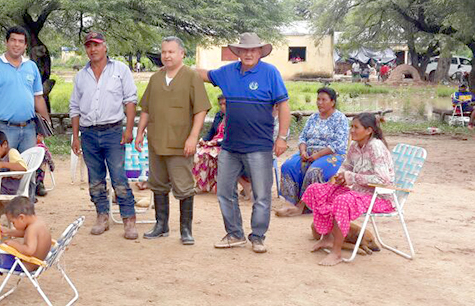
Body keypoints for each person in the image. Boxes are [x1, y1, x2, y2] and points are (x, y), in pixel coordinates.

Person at [195, 32, 291, 253]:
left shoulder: (270, 73)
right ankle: (235, 234)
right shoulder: (227, 72)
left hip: (260, 146)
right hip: (230, 146)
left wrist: (282, 137)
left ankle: (258, 236)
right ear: (238, 53)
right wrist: (177, 67)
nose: (249, 53)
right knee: (224, 191)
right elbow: (205, 74)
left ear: (259, 52)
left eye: (253, 50)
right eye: (244, 50)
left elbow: (284, 105)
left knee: (262, 195)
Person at [136, 36, 211, 245]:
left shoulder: (191, 77)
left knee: (184, 186)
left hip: (181, 143)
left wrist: (193, 137)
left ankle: (186, 230)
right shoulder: (155, 78)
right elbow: (146, 109)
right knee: (158, 184)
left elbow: (201, 109)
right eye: (164, 52)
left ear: (181, 54)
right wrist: (140, 132)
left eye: (171, 52)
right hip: (156, 141)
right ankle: (161, 225)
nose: (167, 56)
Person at [69, 31, 139, 239]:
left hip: (113, 131)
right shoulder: (81, 76)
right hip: (89, 133)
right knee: (95, 179)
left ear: (105, 46)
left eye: (97, 45)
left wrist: (128, 129)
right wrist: (76, 136)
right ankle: (102, 216)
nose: (93, 49)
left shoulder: (120, 70)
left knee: (119, 177)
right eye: (89, 46)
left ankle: (129, 219)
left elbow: (130, 100)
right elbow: (74, 108)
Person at [304, 113, 395, 266]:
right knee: (317, 189)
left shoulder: (376, 147)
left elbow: (383, 180)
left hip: (379, 198)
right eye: (351, 126)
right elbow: (346, 166)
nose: (351, 130)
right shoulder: (354, 145)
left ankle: (336, 252)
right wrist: (340, 176)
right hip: (359, 192)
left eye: (355, 127)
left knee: (341, 200)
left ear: (368, 131)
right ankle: (326, 237)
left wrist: (351, 177)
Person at [0, 26, 50, 154]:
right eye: (13, 40)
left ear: (25, 45)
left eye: (21, 41)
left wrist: (46, 124)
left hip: (29, 129)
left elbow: (38, 98)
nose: (16, 44)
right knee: (4, 169)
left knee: (28, 169)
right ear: (6, 42)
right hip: (3, 129)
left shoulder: (31, 66)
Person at [276, 87, 349, 217]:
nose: (319, 103)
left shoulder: (340, 119)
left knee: (315, 171)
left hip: (331, 154)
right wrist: (303, 151)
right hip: (309, 153)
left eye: (323, 100)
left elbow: (338, 144)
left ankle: (303, 206)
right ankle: (290, 203)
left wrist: (318, 155)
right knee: (288, 166)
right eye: (318, 99)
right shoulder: (313, 118)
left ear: (332, 102)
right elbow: (303, 137)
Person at [34, 133, 54, 197]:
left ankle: (39, 184)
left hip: (38, 165)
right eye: (39, 135)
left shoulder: (42, 147)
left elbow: (47, 155)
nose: (41, 137)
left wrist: (50, 161)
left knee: (43, 156)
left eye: (41, 136)